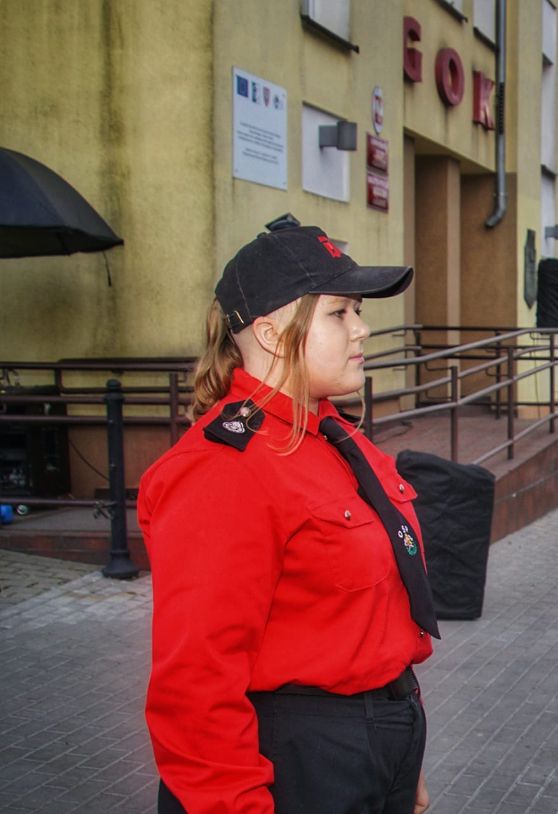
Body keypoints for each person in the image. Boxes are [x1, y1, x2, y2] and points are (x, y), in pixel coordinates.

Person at [139, 222, 437, 814]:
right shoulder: (223, 469)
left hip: (375, 739)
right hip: (298, 756)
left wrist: (404, 754)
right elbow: (196, 683)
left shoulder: (330, 436)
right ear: (273, 332)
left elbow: (374, 617)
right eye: (339, 313)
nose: (362, 329)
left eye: (357, 312)